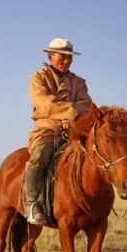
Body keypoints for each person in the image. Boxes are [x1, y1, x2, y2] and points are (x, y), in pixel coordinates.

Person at [24, 38, 92, 225]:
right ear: (50, 56)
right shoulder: (39, 77)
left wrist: (71, 117)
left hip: (75, 130)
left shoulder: (79, 83)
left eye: (69, 58)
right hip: (46, 129)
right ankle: (32, 204)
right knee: (40, 155)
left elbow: (88, 106)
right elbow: (46, 104)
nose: (66, 61)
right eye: (61, 57)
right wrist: (72, 111)